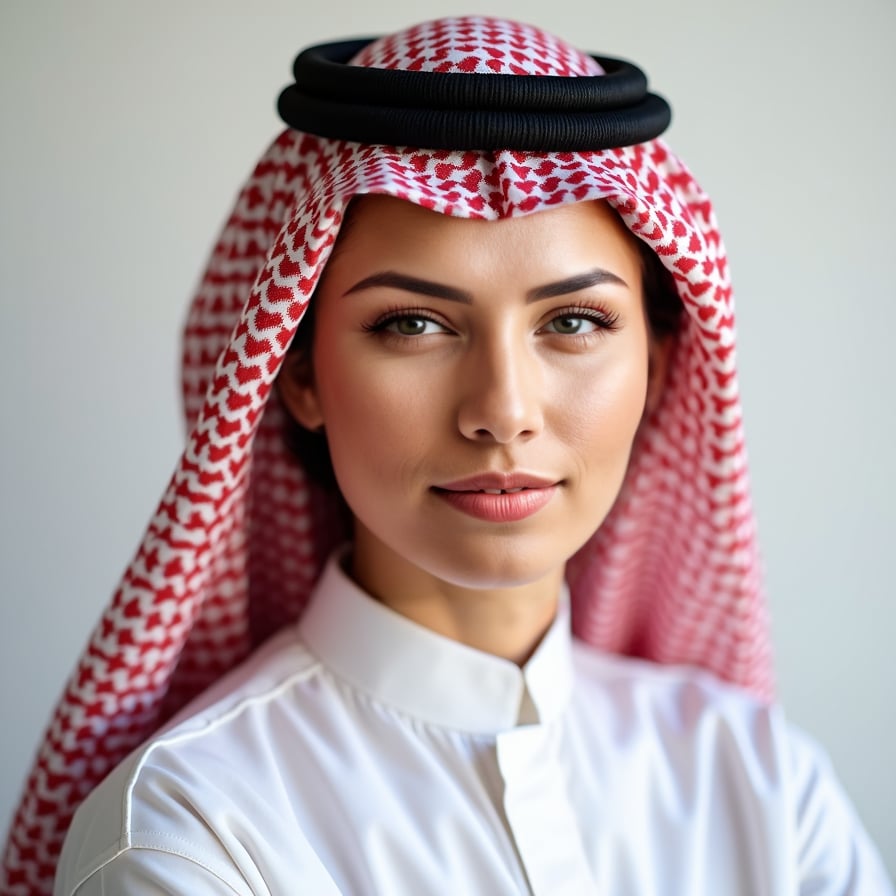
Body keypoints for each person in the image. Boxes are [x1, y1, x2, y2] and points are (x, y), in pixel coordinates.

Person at [3, 15, 892, 896]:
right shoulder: (191, 836)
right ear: (299, 373)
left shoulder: (765, 787)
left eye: (574, 322)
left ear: (658, 369)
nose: (502, 412)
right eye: (413, 324)